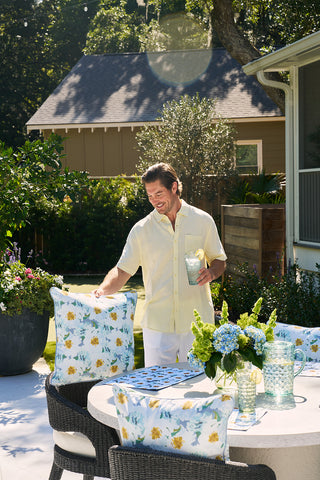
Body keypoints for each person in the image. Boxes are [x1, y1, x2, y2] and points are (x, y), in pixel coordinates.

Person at [93, 163, 226, 367]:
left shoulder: (203, 221)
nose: (154, 201)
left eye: (158, 193)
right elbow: (122, 270)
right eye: (149, 196)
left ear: (174, 188)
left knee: (198, 386)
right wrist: (102, 291)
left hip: (197, 323)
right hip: (157, 326)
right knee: (156, 389)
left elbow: (219, 260)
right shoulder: (141, 230)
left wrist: (212, 273)